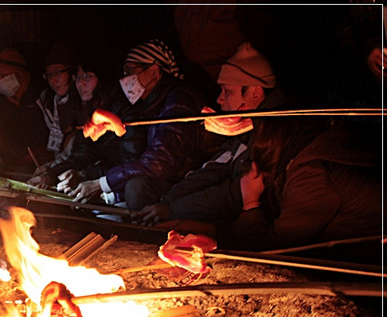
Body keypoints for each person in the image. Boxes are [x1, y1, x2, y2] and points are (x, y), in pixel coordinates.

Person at [167, 117, 382, 251]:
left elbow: (276, 245)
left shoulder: (311, 177)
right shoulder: (301, 157)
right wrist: (203, 229)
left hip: (367, 257)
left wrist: (250, 203)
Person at [56, 39, 221, 211]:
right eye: (124, 71)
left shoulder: (178, 101)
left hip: (192, 182)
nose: (126, 78)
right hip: (169, 182)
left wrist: (101, 184)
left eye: (131, 70)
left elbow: (157, 163)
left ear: (154, 71)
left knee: (137, 187)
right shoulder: (149, 105)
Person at [134, 41, 285, 225]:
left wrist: (174, 210)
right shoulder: (243, 129)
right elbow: (213, 169)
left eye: (227, 91)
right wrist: (167, 202)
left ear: (254, 93)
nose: (219, 99)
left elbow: (234, 194)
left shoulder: (271, 133)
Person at [27, 45, 113, 189]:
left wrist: (82, 176)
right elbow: (83, 151)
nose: (53, 80)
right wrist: (51, 170)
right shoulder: (49, 102)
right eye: (49, 75)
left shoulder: (100, 106)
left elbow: (111, 157)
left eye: (58, 73)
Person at [0, 46, 47, 174]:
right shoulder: (1, 105)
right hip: (13, 164)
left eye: (3, 76)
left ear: (19, 73)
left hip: (43, 163)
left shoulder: (41, 97)